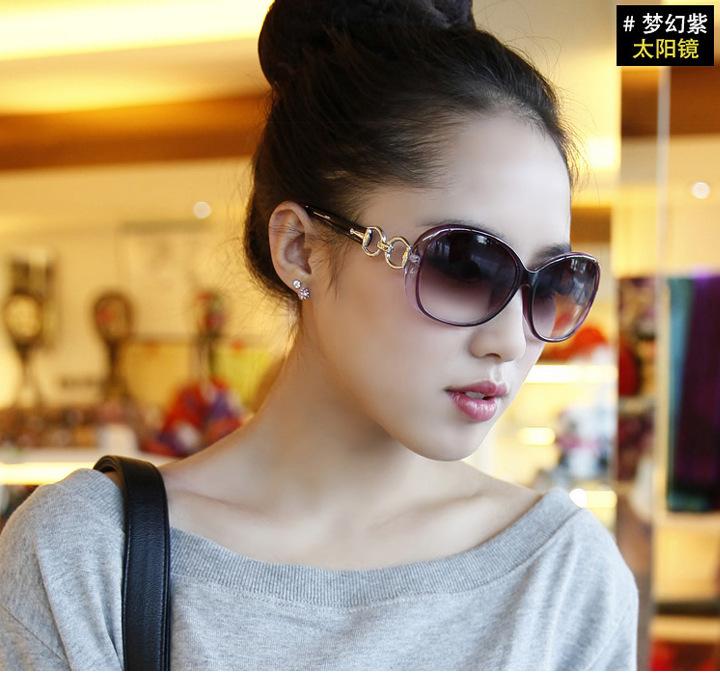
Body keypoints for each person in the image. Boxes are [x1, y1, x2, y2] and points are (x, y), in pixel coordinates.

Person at [0, 0, 639, 670]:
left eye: (552, 282)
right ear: (300, 248)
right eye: (464, 267)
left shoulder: (564, 579)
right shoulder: (89, 556)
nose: (510, 339)